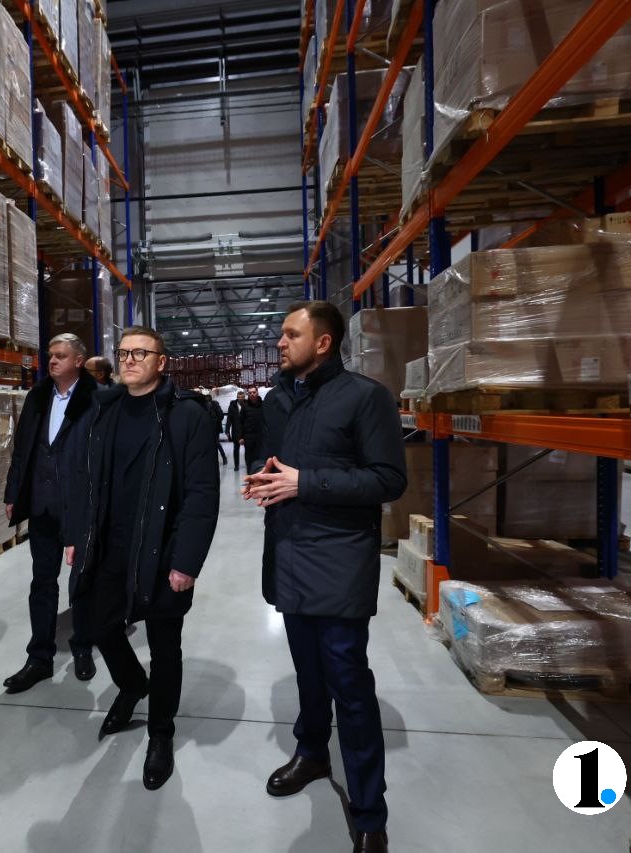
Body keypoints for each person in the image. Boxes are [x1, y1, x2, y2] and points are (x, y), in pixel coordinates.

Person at [243, 301, 407, 853]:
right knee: (307, 674)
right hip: (289, 553)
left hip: (339, 561)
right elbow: (274, 462)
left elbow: (388, 479)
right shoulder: (278, 400)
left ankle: (369, 812)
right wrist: (265, 479)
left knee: (349, 685)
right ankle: (312, 753)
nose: (280, 342)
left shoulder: (365, 397)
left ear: (323, 342)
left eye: (291, 334)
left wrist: (305, 483)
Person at [65, 326, 220, 790]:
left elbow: (202, 493)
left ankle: (160, 733)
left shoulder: (185, 415)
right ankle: (133, 684)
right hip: (107, 545)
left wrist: (186, 561)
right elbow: (82, 477)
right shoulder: (103, 409)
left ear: (161, 361)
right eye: (124, 352)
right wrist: (76, 534)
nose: (130, 360)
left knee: (164, 646)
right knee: (98, 626)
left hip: (162, 549)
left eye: (141, 353)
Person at [1, 334, 99, 693]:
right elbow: (22, 449)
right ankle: (39, 657)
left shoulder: (97, 400)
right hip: (42, 506)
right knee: (42, 581)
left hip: (80, 507)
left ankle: (82, 646)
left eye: (60, 356)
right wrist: (14, 492)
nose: (52, 361)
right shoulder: (37, 397)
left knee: (82, 581)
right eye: (51, 355)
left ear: (78, 361)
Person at [239, 386, 265, 472]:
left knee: (260, 457)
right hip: (248, 437)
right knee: (249, 457)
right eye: (250, 393)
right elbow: (240, 422)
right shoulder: (245, 406)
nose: (252, 394)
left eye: (254, 392)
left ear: (257, 393)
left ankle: (259, 475)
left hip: (261, 437)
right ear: (248, 394)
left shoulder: (263, 405)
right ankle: (250, 474)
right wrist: (241, 437)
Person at [225, 392, 245, 471]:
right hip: (236, 431)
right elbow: (229, 419)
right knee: (236, 449)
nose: (240, 399)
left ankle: (249, 464)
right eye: (239, 397)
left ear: (244, 397)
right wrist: (227, 430)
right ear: (237, 397)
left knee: (248, 449)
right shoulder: (232, 406)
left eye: (242, 397)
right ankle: (236, 465)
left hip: (245, 431)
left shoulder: (247, 405)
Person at [205, 393, 227, 465]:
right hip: (211, 428)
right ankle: (219, 458)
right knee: (214, 443)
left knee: (216, 443)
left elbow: (220, 415)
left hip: (213, 428)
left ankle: (223, 458)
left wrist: (217, 422)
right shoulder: (210, 405)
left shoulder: (213, 405)